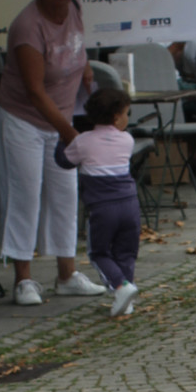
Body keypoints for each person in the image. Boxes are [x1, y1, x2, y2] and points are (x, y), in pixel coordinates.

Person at [0, 0, 108, 306]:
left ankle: (66, 274)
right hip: (24, 119)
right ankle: (23, 280)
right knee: (25, 194)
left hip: (59, 117)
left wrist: (85, 68)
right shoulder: (27, 27)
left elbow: (75, 45)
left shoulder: (73, 8)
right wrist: (70, 133)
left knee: (65, 194)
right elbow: (34, 91)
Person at [56, 88, 141, 318]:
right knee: (126, 251)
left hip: (102, 208)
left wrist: (60, 140)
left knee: (99, 252)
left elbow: (64, 161)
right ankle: (126, 295)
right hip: (130, 205)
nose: (127, 118)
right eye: (127, 113)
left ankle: (121, 287)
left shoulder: (83, 142)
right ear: (116, 117)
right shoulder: (127, 140)